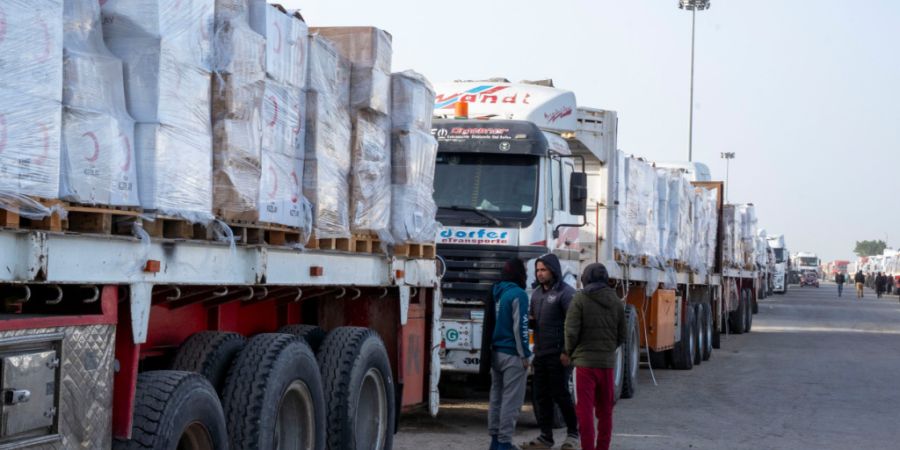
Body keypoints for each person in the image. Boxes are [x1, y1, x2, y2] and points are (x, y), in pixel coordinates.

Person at [563, 263, 626, 450]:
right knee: (606, 411)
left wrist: (570, 352)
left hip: (584, 366)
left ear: (586, 278)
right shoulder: (615, 301)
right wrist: (607, 350)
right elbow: (622, 334)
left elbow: (571, 331)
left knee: (584, 412)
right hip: (606, 365)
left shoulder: (580, 299)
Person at [522, 255, 579, 450]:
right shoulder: (537, 294)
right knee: (540, 395)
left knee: (561, 394)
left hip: (559, 355)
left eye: (543, 270)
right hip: (541, 353)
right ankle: (546, 437)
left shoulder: (566, 293)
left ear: (553, 270)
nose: (539, 274)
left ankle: (573, 434)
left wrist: (566, 351)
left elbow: (572, 325)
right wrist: (530, 322)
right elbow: (533, 321)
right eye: (537, 270)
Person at [488, 258, 532, 450]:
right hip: (513, 355)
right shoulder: (519, 295)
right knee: (511, 401)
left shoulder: (497, 292)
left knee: (496, 398)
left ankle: (495, 441)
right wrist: (525, 356)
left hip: (495, 353)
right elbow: (520, 328)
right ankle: (505, 443)